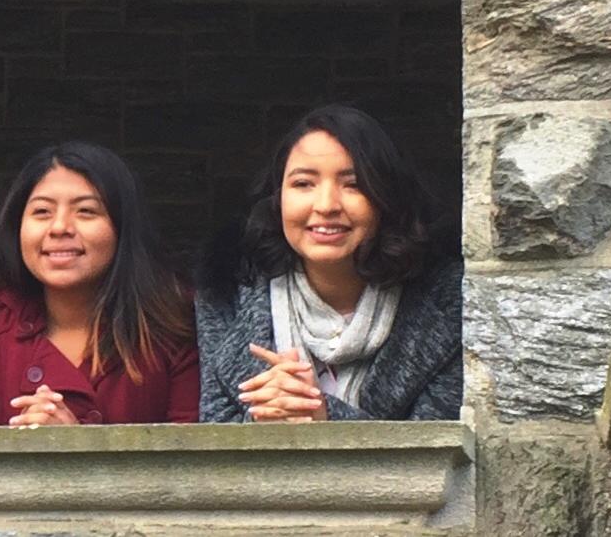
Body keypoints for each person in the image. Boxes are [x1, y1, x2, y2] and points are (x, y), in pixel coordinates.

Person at [196, 105, 462, 423]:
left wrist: (322, 415)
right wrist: (267, 419)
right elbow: (213, 441)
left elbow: (435, 456)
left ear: (386, 198)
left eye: (353, 185)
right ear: (277, 197)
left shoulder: (447, 303)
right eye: (303, 184)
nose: (326, 206)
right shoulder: (229, 294)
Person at [0, 142, 199, 427]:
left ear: (121, 226)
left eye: (85, 211)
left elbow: (192, 462)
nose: (59, 228)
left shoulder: (175, 323)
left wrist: (74, 448)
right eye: (42, 212)